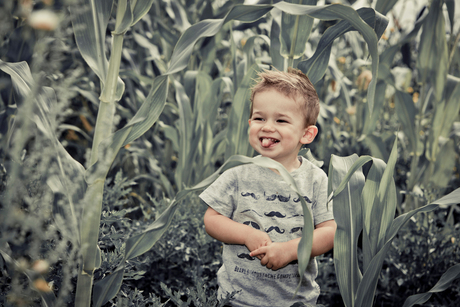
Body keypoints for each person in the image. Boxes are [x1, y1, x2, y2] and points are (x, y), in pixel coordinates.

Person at [199, 67, 336, 307]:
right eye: (260, 118)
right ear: (250, 122)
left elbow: (330, 231)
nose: (267, 126)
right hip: (237, 300)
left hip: (295, 301)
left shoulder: (315, 179)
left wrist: (292, 250)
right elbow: (211, 219)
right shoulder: (238, 173)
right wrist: (246, 234)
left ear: (307, 134)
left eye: (281, 120)